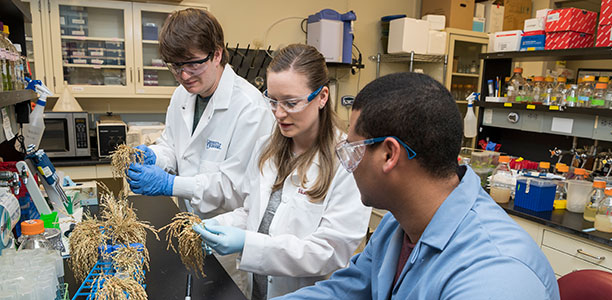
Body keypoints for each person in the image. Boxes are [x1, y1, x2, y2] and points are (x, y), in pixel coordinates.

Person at [273, 73, 560, 300]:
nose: (349, 164)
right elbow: (344, 292)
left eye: (353, 149)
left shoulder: (495, 276)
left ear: (389, 155)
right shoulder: (396, 226)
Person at [192, 44, 371, 300]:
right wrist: (220, 224)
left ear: (322, 97)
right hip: (258, 290)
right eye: (273, 100)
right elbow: (252, 212)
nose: (278, 113)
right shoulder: (266, 146)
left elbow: (330, 251)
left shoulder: (346, 162)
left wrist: (247, 243)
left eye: (290, 103)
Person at [125, 8, 274, 295]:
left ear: (217, 54)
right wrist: (156, 156)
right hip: (189, 230)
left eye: (192, 64)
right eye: (174, 66)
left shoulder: (250, 108)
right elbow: (173, 145)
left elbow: (234, 187)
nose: (182, 75)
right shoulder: (183, 94)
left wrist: (170, 184)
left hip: (226, 241)